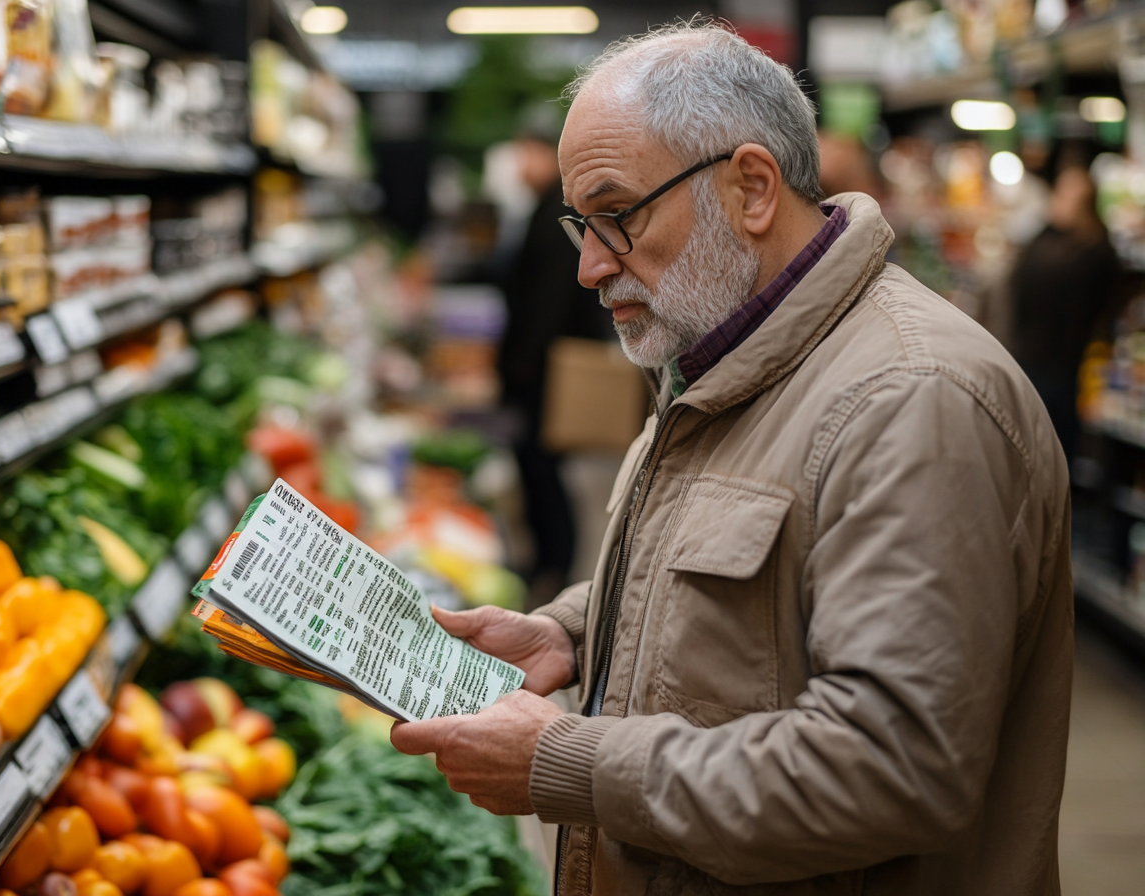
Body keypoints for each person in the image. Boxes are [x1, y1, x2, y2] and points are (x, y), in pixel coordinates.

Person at [390, 21, 1073, 896]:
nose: (591, 267)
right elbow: (767, 596)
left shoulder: (914, 400)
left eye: (618, 216)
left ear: (751, 187)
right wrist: (573, 631)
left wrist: (564, 761)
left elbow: (892, 769)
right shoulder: (725, 350)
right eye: (579, 225)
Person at [498, 124, 615, 608]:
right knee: (542, 469)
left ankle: (554, 568)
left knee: (544, 470)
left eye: (524, 154)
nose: (518, 168)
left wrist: (519, 367)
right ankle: (550, 564)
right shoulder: (546, 208)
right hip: (544, 364)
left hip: (546, 368)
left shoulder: (553, 212)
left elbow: (544, 303)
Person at [1010, 164, 1121, 458]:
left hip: (1066, 357)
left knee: (1057, 435)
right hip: (1029, 349)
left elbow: (1091, 301)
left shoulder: (1096, 249)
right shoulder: (1046, 237)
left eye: (1073, 194)